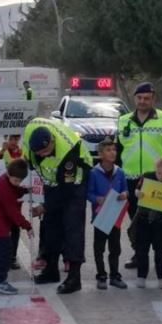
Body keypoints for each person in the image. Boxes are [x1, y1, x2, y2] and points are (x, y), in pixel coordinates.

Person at [23, 117, 93, 294]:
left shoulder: (67, 152)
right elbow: (29, 162)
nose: (42, 155)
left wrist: (45, 206)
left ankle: (74, 278)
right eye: (38, 153)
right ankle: (51, 270)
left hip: (74, 184)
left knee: (72, 229)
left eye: (45, 151)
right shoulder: (29, 134)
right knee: (50, 226)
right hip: (53, 182)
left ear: (52, 141)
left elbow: (65, 191)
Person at [116, 82, 162, 269]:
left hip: (157, 179)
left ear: (153, 99)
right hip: (130, 178)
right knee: (136, 219)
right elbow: (118, 150)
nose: (143, 101)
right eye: (139, 98)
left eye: (147, 98)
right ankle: (139, 254)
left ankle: (160, 258)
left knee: (158, 221)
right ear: (134, 99)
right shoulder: (123, 120)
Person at [0, 158, 33, 295]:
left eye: (19, 181)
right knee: (5, 253)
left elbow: (13, 190)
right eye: (15, 180)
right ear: (8, 174)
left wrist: (23, 191)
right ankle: (0, 281)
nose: (17, 183)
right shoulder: (3, 187)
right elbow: (12, 211)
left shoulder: (5, 181)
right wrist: (26, 225)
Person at [86, 138, 128, 290]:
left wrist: (124, 194)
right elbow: (88, 193)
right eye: (108, 150)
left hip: (114, 216)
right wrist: (97, 199)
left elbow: (125, 189)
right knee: (99, 248)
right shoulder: (94, 173)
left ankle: (115, 275)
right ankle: (101, 275)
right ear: (100, 154)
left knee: (115, 248)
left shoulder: (120, 172)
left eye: (114, 150)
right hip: (100, 216)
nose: (113, 153)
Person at [133, 157, 162, 289]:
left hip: (161, 221)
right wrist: (138, 193)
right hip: (143, 219)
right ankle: (141, 276)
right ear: (156, 169)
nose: (161, 177)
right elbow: (137, 189)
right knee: (142, 250)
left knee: (160, 251)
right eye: (159, 173)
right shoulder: (147, 176)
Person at [0, 134, 24, 270]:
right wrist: (1, 152)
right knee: (2, 227)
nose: (13, 141)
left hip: (17, 197)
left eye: (16, 139)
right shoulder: (1, 152)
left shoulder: (23, 152)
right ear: (6, 138)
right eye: (11, 138)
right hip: (3, 195)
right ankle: (2, 255)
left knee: (15, 227)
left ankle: (12, 256)